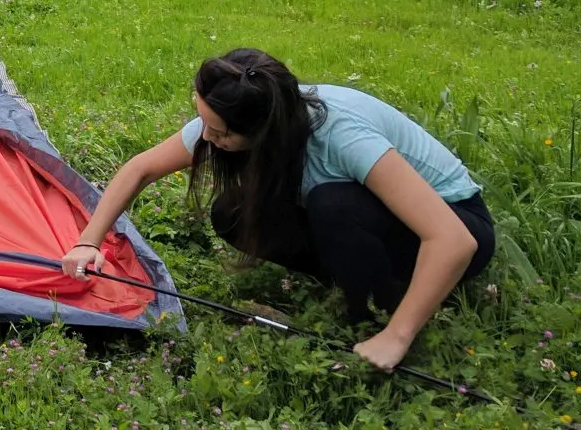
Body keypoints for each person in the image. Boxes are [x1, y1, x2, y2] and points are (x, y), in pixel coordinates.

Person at [63, 48, 493, 373]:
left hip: (454, 224)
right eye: (204, 122)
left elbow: (454, 239)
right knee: (232, 211)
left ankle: (382, 316)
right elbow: (140, 169)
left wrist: (397, 336)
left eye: (220, 132)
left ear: (263, 128)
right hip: (380, 221)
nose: (207, 138)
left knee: (332, 204)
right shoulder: (238, 111)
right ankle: (361, 279)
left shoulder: (340, 135)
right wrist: (88, 242)